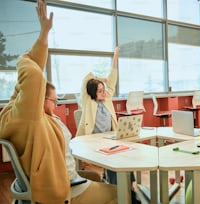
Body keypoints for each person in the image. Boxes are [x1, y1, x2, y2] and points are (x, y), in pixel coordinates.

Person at [0, 1, 70, 203]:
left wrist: (44, 34)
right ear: (38, 99)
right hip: (57, 192)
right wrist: (22, 59)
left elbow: (30, 80)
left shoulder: (16, 111)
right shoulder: (26, 117)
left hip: (56, 183)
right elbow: (33, 78)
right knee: (116, 193)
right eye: (54, 101)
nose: (56, 106)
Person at [44, 82, 117, 203]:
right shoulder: (89, 104)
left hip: (67, 177)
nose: (55, 106)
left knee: (96, 176)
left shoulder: (41, 121)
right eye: (54, 101)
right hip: (68, 186)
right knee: (121, 193)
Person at [75, 47, 136, 186]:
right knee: (115, 158)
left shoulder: (107, 98)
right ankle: (118, 189)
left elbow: (113, 76)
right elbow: (86, 79)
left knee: (124, 155)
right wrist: (97, 79)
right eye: (100, 91)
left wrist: (115, 56)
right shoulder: (88, 101)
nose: (104, 93)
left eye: (104, 90)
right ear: (92, 93)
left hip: (110, 138)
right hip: (93, 141)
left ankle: (129, 186)